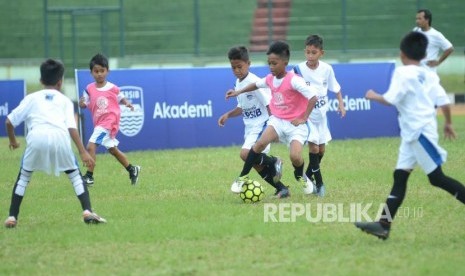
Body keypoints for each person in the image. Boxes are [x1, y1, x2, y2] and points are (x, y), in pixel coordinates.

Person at [354, 32, 465, 240]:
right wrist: (448, 123)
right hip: (412, 134)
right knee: (400, 176)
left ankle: (383, 224)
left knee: (437, 178)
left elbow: (390, 99)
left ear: (402, 54)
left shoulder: (402, 73)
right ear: (423, 55)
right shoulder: (430, 74)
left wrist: (373, 95)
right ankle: (383, 225)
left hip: (418, 133)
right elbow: (444, 102)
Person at [4, 59, 106, 228]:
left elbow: (9, 122)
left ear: (41, 81)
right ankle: (87, 211)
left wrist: (13, 141)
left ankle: (12, 217)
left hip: (36, 138)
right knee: (74, 175)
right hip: (60, 138)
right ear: (60, 82)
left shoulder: (31, 98)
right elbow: (72, 128)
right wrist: (83, 152)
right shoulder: (65, 100)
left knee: (24, 177)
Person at [226, 40, 318, 198]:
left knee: (295, 157)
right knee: (258, 145)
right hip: (277, 121)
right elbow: (255, 85)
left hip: (295, 124)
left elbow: (313, 97)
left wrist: (303, 117)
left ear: (285, 62)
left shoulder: (294, 80)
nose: (271, 67)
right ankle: (242, 178)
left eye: (274, 63)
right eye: (269, 63)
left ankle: (300, 176)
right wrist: (238, 92)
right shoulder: (270, 78)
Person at [218, 46, 285, 194]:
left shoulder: (255, 83)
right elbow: (242, 108)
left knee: (245, 154)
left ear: (248, 63)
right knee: (254, 162)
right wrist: (228, 114)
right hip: (250, 129)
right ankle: (281, 188)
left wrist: (274, 128)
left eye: (239, 67)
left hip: (262, 125)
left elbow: (269, 104)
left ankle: (272, 162)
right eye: (233, 67)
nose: (236, 70)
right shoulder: (238, 83)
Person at [293, 34, 346, 197]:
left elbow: (335, 88)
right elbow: (290, 87)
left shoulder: (327, 69)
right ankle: (320, 185)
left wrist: (341, 104)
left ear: (321, 53)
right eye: (307, 52)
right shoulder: (298, 69)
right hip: (306, 116)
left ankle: (307, 177)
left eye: (313, 52)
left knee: (321, 151)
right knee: (314, 147)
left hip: (322, 116)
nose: (310, 56)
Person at [79, 53, 140, 186]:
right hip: (99, 123)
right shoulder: (89, 89)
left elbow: (121, 97)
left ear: (107, 71)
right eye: (96, 71)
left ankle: (89, 176)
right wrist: (81, 104)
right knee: (113, 150)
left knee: (90, 146)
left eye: (102, 71)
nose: (99, 74)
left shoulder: (113, 88)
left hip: (109, 122)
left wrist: (127, 103)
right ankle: (132, 169)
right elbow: (84, 103)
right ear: (91, 73)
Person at [413, 9, 454, 73]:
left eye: (420, 19)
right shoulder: (415, 30)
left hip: (429, 72)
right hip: (417, 71)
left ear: (427, 20)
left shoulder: (436, 35)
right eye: (416, 19)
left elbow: (449, 48)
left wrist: (438, 62)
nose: (417, 21)